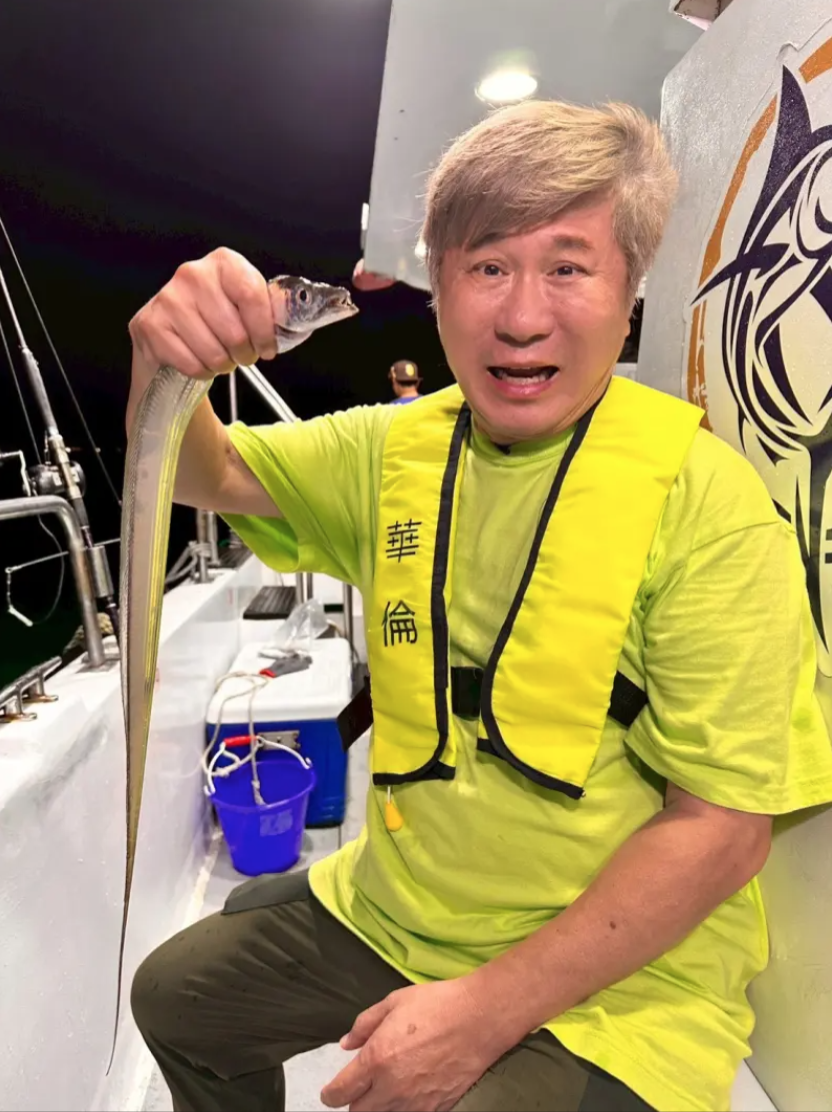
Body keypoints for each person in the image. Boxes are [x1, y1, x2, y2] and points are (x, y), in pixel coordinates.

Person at [127, 99, 832, 1112]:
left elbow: (722, 831)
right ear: (441, 291)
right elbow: (210, 473)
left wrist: (483, 1011)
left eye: (569, 267)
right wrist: (166, 361)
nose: (522, 316)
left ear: (630, 291)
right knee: (179, 999)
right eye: (488, 265)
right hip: (400, 913)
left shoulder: (706, 508)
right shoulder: (391, 448)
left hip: (620, 983)